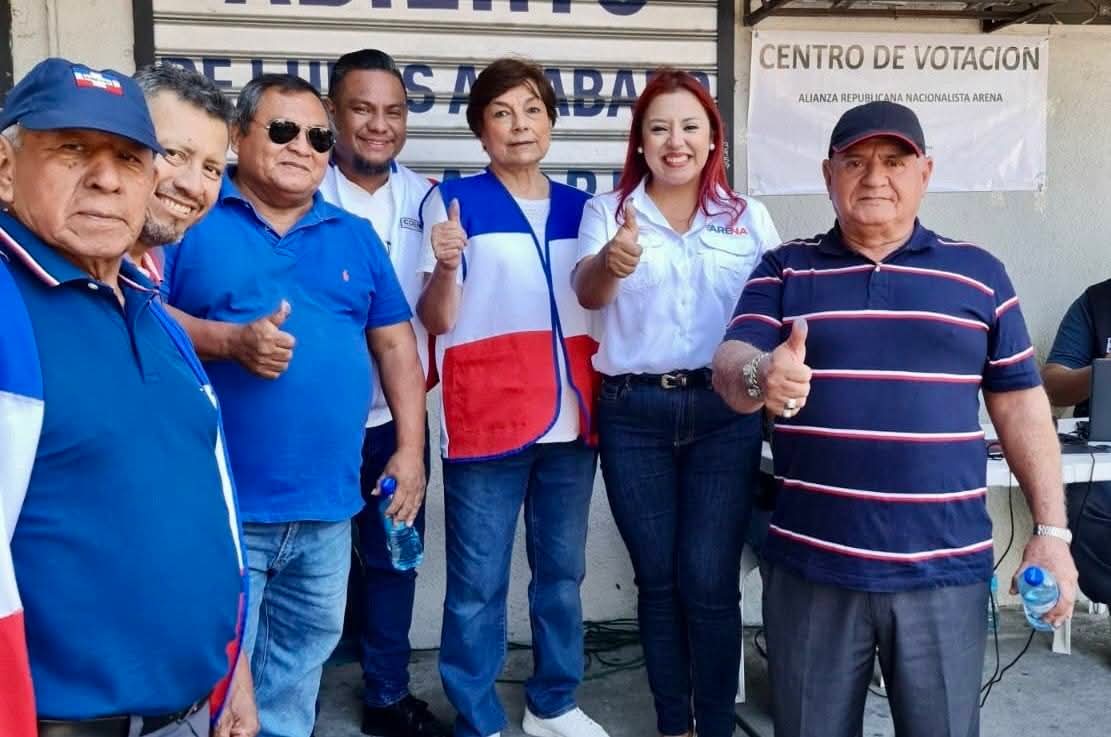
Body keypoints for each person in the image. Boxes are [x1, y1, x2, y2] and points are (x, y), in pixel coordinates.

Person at [712, 100, 1079, 737]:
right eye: (855, 162)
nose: (874, 177)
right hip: (813, 570)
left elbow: (1023, 406)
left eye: (893, 161)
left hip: (944, 572)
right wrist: (760, 374)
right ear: (828, 174)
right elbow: (729, 364)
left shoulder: (979, 275)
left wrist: (1051, 532)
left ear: (925, 172)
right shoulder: (784, 268)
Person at [161, 73, 427, 737]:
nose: (301, 147)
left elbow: (396, 345)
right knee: (215, 688)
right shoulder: (190, 216)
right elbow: (139, 311)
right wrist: (228, 341)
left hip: (328, 511)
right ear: (239, 136)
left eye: (317, 136)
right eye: (282, 130)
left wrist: (411, 449)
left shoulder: (354, 234)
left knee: (294, 676)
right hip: (223, 513)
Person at [0, 57, 248, 737]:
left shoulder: (151, 311)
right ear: (5, 168)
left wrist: (232, 670)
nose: (107, 179)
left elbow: (201, 506)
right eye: (72, 150)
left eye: (131, 159)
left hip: (192, 707)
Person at [571, 69, 778, 737]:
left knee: (710, 579)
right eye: (659, 128)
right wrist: (612, 262)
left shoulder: (747, 218)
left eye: (689, 126)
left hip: (724, 414)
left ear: (713, 137)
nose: (675, 141)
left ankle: (713, 724)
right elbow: (587, 292)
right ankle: (673, 724)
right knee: (657, 579)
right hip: (634, 414)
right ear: (640, 141)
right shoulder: (608, 212)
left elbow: (777, 306)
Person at [416, 57, 608, 737]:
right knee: (477, 585)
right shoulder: (453, 202)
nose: (519, 125)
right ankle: (477, 717)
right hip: (488, 418)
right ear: (481, 130)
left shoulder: (586, 208)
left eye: (531, 110)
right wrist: (445, 265)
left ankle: (553, 702)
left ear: (551, 121)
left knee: (561, 575)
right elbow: (435, 318)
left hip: (571, 422)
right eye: (501, 113)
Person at [319, 49, 446, 737]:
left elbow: (431, 318)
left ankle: (387, 695)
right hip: (315, 423)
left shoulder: (426, 197)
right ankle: (288, 697)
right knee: (306, 562)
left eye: (393, 111)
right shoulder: (303, 185)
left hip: (395, 419)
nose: (378, 125)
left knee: (396, 556)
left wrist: (412, 441)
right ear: (331, 113)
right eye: (362, 109)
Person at [128, 63, 234, 286]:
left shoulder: (150, 263)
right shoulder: (75, 278)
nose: (193, 187)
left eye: (211, 169)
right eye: (174, 154)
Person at [1042, 284, 1111, 604]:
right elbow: (1052, 384)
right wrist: (1102, 371)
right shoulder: (1097, 303)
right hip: (1104, 458)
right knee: (1085, 507)